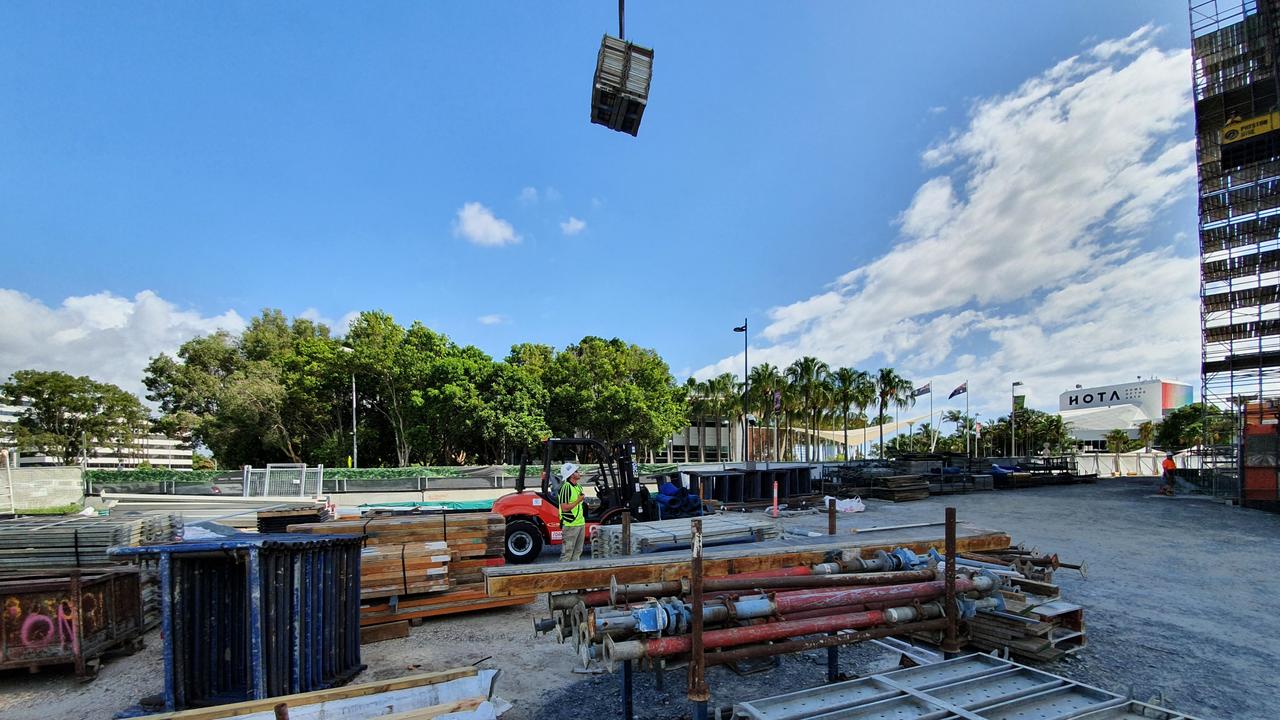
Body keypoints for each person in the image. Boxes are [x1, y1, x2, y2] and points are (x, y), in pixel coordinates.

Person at [558, 462, 587, 562]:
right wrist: (578, 500)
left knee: (577, 553)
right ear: (571, 475)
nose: (579, 473)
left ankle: (573, 575)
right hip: (570, 525)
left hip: (580, 523)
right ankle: (562, 576)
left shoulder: (578, 486)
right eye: (576, 471)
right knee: (567, 554)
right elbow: (564, 507)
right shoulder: (566, 488)